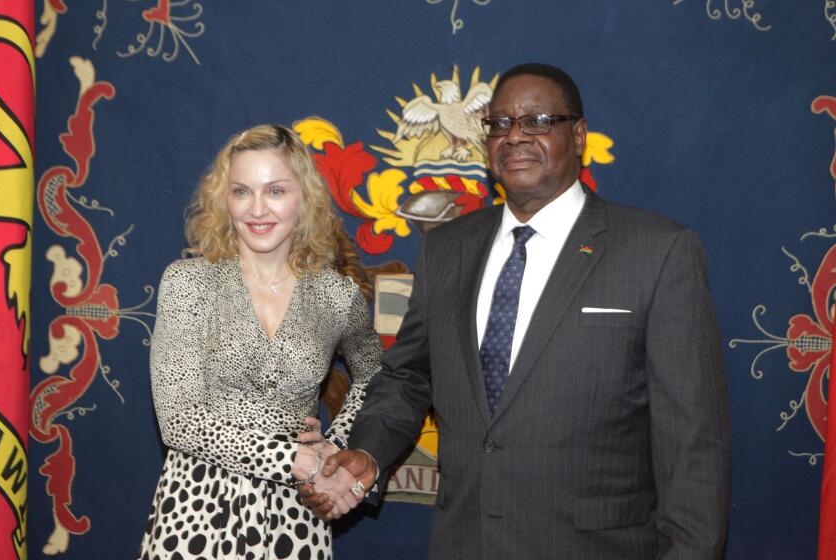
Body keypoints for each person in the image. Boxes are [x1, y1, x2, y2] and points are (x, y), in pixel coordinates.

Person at [301, 63, 732, 559]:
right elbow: (408, 377)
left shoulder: (656, 251)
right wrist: (370, 453)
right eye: (499, 124)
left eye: (538, 121)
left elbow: (693, 444)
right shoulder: (448, 248)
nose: (515, 136)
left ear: (579, 135)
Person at [138, 124, 382, 560]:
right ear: (223, 199)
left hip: (296, 514)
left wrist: (336, 449)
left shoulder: (336, 295)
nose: (257, 209)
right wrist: (292, 459)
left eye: (275, 191)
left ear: (303, 197)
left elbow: (375, 376)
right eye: (241, 192)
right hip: (197, 508)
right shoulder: (189, 282)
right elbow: (178, 420)